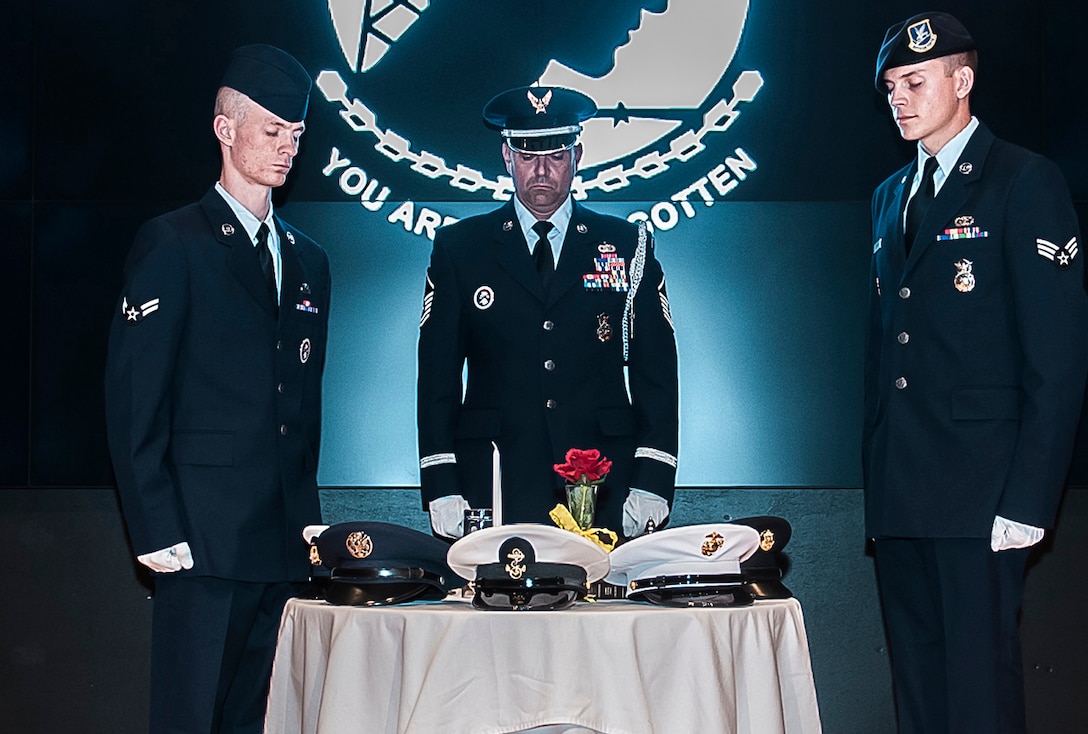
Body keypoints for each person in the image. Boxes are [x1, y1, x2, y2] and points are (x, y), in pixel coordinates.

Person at [864, 12, 1088, 733]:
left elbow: (1057, 357)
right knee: (920, 688)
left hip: (981, 494)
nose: (900, 98)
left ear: (962, 81)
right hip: (903, 492)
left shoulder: (1024, 181)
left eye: (917, 81)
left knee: (978, 693)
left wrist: (1029, 498)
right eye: (893, 85)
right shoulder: (889, 196)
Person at [104, 44, 330, 734]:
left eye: (296, 135)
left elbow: (300, 403)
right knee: (190, 718)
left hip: (282, 546)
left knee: (260, 722)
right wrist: (156, 525)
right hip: (200, 541)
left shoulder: (310, 262)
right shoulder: (173, 243)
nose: (287, 149)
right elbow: (134, 396)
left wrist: (307, 520)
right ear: (225, 129)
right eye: (272, 131)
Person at [417, 85, 679, 540]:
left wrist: (653, 478)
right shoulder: (461, 249)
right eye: (527, 155)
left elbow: (656, 373)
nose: (541, 170)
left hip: (602, 478)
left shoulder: (627, 244)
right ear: (506, 156)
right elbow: (437, 377)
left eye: (556, 155)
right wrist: (441, 482)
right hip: (495, 476)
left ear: (578, 155)